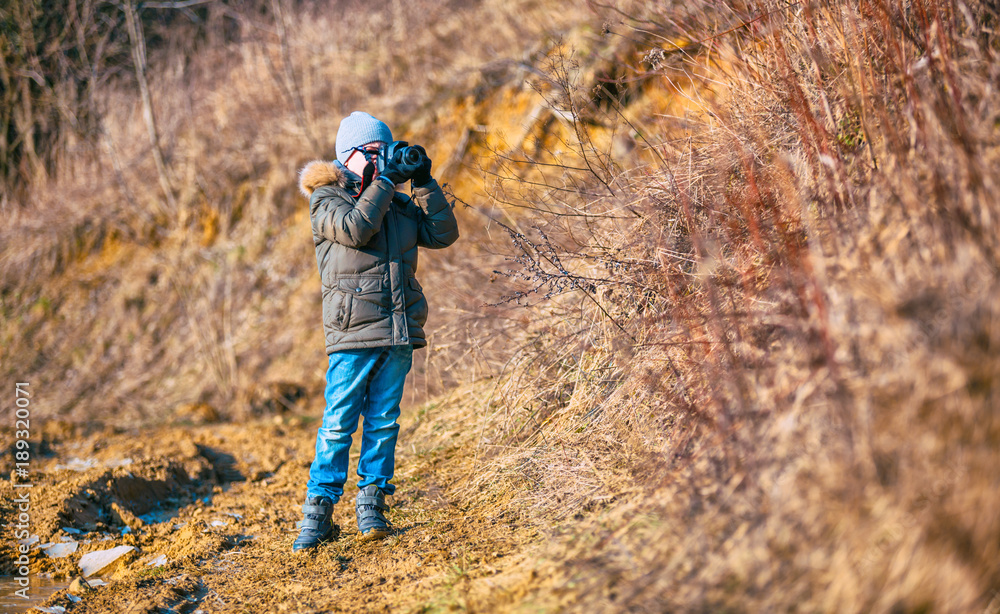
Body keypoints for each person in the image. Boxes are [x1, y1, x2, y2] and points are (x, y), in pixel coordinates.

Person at [293, 111, 459, 551]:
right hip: (352, 332)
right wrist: (385, 181)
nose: (380, 158)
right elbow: (356, 229)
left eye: (383, 150)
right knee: (337, 423)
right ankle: (319, 511)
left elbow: (443, 234)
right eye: (371, 152)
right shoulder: (326, 199)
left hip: (398, 327)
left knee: (384, 421)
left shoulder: (397, 202)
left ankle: (372, 505)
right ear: (347, 157)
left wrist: (423, 181)